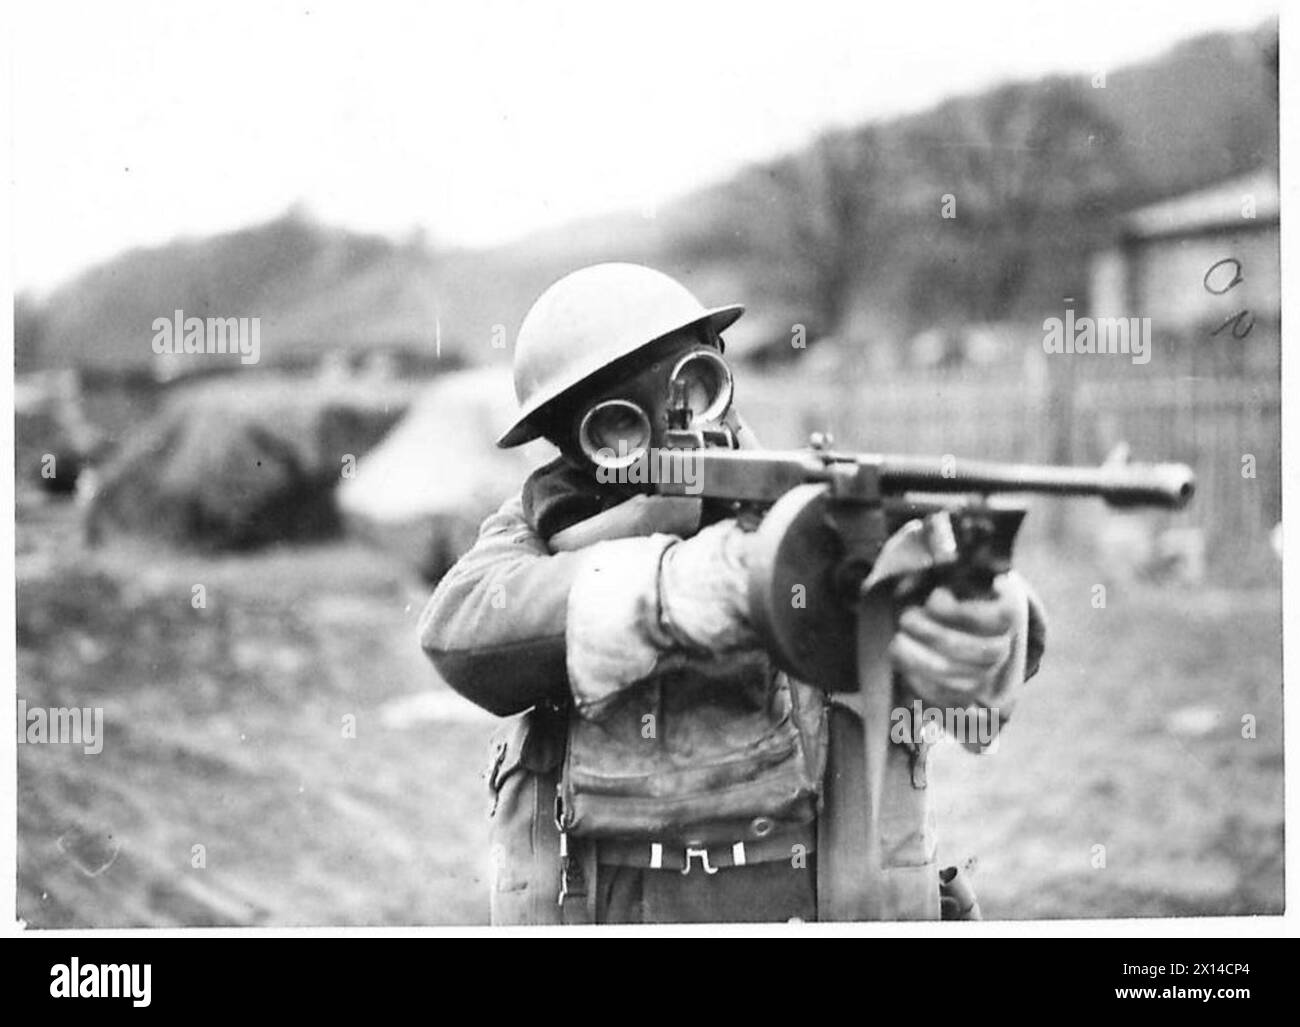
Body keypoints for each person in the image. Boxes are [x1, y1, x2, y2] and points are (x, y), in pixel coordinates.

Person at [419, 263, 1045, 924]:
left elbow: (952, 587)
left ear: (721, 375)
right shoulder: (534, 529)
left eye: (695, 385)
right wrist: (670, 583)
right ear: (571, 444)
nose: (677, 424)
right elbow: (461, 627)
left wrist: (985, 618)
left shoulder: (820, 515)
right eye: (619, 425)